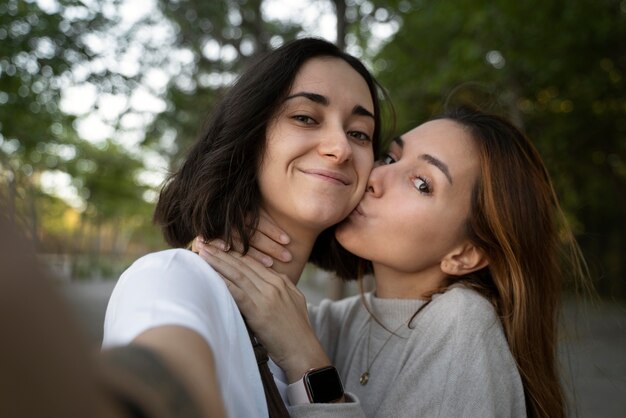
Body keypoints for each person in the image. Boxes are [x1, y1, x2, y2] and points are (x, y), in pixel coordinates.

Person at [196, 106, 588, 418]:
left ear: (465, 254)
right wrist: (211, 252)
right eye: (389, 157)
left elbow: (293, 345)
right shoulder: (342, 320)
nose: (375, 178)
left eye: (422, 184)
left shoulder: (463, 321)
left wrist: (307, 360)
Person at [102, 37, 386, 418]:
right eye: (305, 117)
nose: (341, 148)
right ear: (249, 135)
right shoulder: (172, 278)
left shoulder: (315, 328)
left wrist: (306, 356)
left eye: (359, 133)